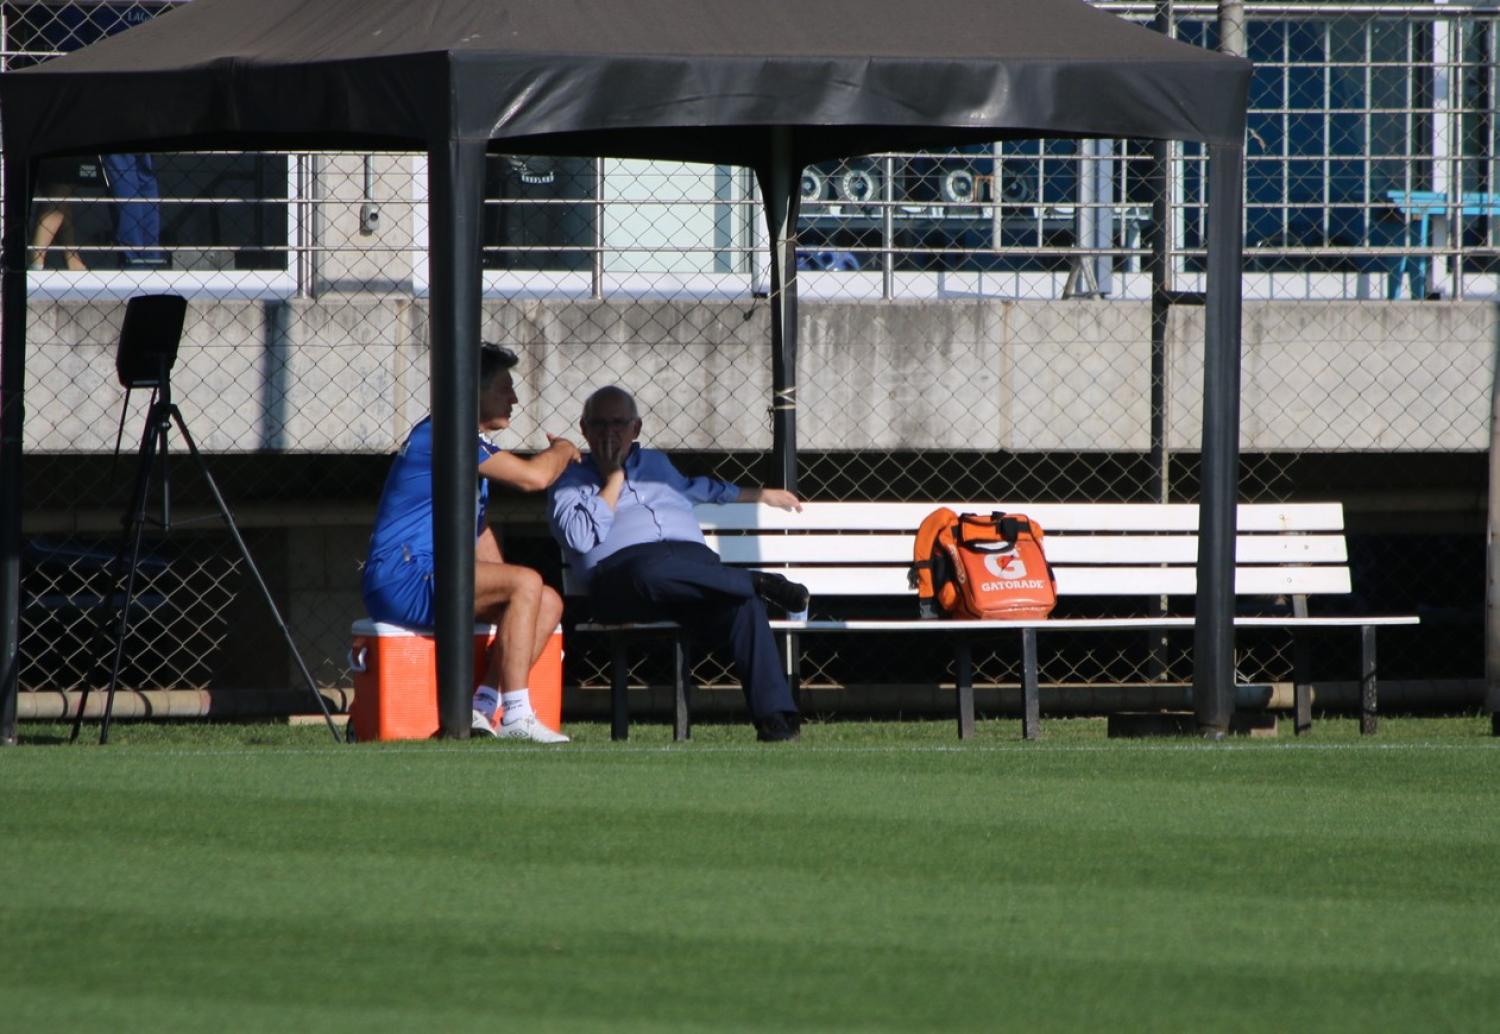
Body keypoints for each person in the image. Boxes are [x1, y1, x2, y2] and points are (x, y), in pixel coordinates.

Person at [547, 385, 810, 742]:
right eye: (599, 424)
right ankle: (755, 581)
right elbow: (577, 537)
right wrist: (613, 480)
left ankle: (775, 720)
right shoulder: (569, 477)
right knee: (651, 570)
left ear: (636, 428)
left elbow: (700, 488)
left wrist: (762, 495)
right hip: (623, 580)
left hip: (690, 569)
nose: (609, 432)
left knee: (744, 606)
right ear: (583, 428)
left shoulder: (655, 464)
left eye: (619, 423)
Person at [363, 343, 581, 743]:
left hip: (433, 575)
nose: (514, 398)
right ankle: (516, 714)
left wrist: (515, 590)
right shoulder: (446, 434)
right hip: (403, 576)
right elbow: (533, 478)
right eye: (504, 387)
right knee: (526, 583)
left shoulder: (468, 447)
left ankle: (482, 705)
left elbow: (479, 535)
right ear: (471, 392)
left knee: (547, 599)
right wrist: (562, 451)